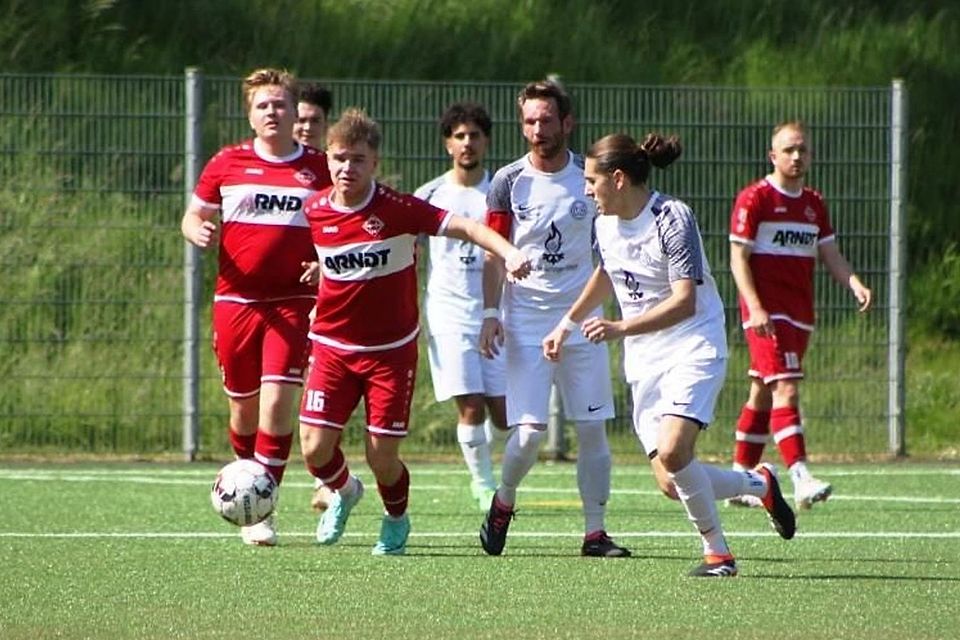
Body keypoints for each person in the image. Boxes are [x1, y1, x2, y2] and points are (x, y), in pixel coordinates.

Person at [542, 132, 797, 577]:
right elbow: (608, 274)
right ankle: (759, 484)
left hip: (692, 344)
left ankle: (718, 555)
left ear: (617, 178)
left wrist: (619, 327)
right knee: (669, 481)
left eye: (590, 180)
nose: (585, 190)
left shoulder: (671, 217)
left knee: (677, 452)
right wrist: (566, 324)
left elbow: (685, 301)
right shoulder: (602, 224)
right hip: (645, 359)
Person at [298, 108, 531, 556]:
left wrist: (509, 251)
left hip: (389, 352)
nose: (348, 168)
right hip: (331, 348)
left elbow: (465, 227)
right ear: (327, 159)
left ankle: (396, 519)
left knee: (381, 455)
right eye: (340, 158)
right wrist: (322, 271)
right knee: (314, 449)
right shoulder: (315, 209)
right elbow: (338, 258)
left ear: (375, 163)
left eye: (359, 160)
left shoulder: (397, 208)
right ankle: (346, 492)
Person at [478, 79, 629, 558]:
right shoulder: (508, 181)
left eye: (546, 120)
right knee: (528, 434)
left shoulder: (591, 176)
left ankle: (595, 532)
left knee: (592, 428)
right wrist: (489, 312)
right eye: (529, 121)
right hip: (525, 320)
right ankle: (503, 501)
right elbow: (491, 252)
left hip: (582, 320)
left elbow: (610, 248)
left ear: (567, 122)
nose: (537, 129)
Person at [180, 68, 331, 546]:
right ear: (251, 113)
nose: (273, 112)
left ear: (294, 112)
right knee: (243, 413)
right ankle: (249, 483)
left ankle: (261, 510)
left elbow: (341, 223)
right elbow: (194, 214)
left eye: (280, 104)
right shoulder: (227, 163)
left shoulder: (320, 167)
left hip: (292, 304)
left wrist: (324, 265)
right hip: (236, 302)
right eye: (264, 105)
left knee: (276, 407)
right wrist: (196, 230)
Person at [726, 121, 873, 510]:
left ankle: (740, 479)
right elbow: (738, 258)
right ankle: (800, 477)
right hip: (767, 314)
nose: (796, 156)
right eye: (788, 150)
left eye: (802, 150)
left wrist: (854, 282)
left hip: (800, 313)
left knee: (762, 391)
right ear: (772, 156)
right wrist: (755, 306)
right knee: (786, 387)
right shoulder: (755, 199)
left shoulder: (813, 203)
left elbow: (830, 254)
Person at [414, 102, 507, 511]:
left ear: (486, 141)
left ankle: (487, 466)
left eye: (475, 135)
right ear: (448, 143)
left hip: (497, 313)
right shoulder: (430, 195)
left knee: (505, 415)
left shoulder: (501, 192)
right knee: (470, 403)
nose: (467, 143)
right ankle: (484, 486)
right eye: (459, 135)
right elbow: (408, 252)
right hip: (448, 314)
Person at [293, 82, 333, 150]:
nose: (308, 127)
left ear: (326, 124)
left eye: (315, 121)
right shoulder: (277, 159)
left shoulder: (330, 160)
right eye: (301, 120)